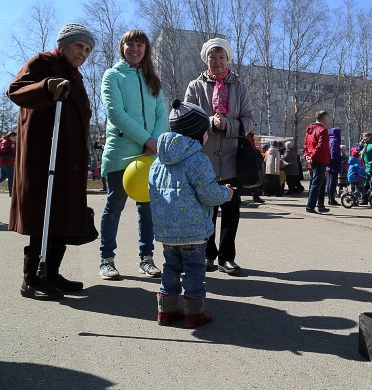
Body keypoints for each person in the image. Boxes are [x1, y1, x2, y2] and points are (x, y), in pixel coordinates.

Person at [6, 23, 96, 300]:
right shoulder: (42, 62)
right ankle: (32, 278)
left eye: (88, 49)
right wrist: (46, 86)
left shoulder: (76, 77)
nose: (83, 53)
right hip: (43, 156)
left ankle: (52, 273)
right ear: (64, 43)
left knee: (61, 214)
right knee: (42, 214)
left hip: (70, 159)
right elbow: (15, 90)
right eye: (79, 46)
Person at [149, 99, 233, 328]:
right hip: (193, 230)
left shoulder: (157, 162)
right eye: (205, 131)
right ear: (197, 133)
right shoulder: (197, 159)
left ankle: (165, 312)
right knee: (194, 270)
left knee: (171, 267)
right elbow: (208, 194)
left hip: (167, 230)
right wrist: (225, 194)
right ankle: (194, 313)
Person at [98, 29, 167, 280]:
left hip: (150, 156)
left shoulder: (153, 80)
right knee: (115, 205)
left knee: (147, 208)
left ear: (146, 50)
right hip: (121, 153)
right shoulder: (112, 76)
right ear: (122, 47)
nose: (135, 49)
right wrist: (146, 139)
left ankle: (146, 258)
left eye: (140, 44)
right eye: (130, 44)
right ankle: (107, 259)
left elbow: (162, 114)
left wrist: (155, 142)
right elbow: (115, 113)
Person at [184, 37, 255, 276]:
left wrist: (229, 125)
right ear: (206, 59)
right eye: (212, 57)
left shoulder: (240, 87)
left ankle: (227, 257)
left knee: (231, 211)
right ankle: (207, 255)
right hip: (202, 160)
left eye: (221, 57)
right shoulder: (195, 86)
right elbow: (186, 119)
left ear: (228, 59)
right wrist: (210, 123)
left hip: (232, 160)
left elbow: (250, 120)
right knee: (206, 211)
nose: (217, 61)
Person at [303, 111, 331, 214]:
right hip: (319, 159)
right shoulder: (322, 130)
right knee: (316, 183)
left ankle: (320, 205)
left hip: (312, 159)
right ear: (324, 118)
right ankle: (310, 206)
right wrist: (312, 157)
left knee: (321, 182)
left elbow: (305, 144)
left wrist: (307, 156)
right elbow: (321, 146)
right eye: (327, 118)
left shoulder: (310, 129)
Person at [358, 132, 372, 204]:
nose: (364, 138)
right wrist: (360, 146)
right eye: (363, 136)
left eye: (366, 136)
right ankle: (365, 200)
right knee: (365, 183)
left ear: (370, 136)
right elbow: (359, 153)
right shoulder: (364, 145)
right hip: (365, 167)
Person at [326, 127, 342, 206]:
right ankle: (332, 199)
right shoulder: (335, 141)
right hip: (334, 163)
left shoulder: (330, 140)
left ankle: (330, 198)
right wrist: (337, 159)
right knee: (332, 182)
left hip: (329, 163)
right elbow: (334, 153)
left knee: (329, 181)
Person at [0, 131, 17, 196]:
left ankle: (11, 192)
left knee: (3, 177)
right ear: (11, 136)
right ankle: (11, 193)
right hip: (7, 163)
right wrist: (12, 148)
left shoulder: (8, 141)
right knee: (11, 177)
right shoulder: (6, 142)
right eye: (15, 137)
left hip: (4, 162)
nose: (15, 139)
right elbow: (2, 150)